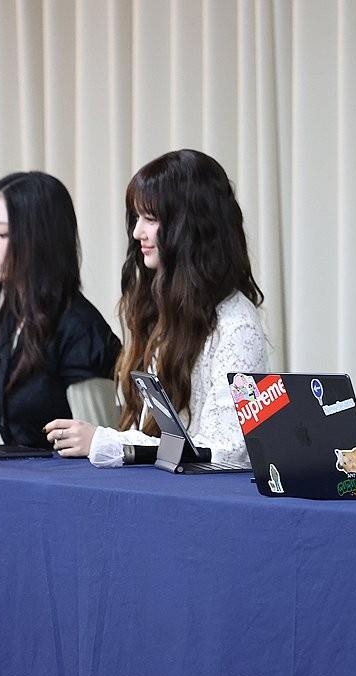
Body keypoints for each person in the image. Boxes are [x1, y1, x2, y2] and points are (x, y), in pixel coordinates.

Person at [44, 149, 269, 466]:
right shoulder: (164, 310)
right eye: (137, 218)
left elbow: (228, 451)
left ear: (190, 226)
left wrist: (108, 441)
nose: (137, 232)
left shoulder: (237, 327)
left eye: (150, 219)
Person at [0, 172, 121, 449]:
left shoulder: (81, 331)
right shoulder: (7, 321)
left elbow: (104, 445)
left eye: (2, 234)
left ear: (41, 240)